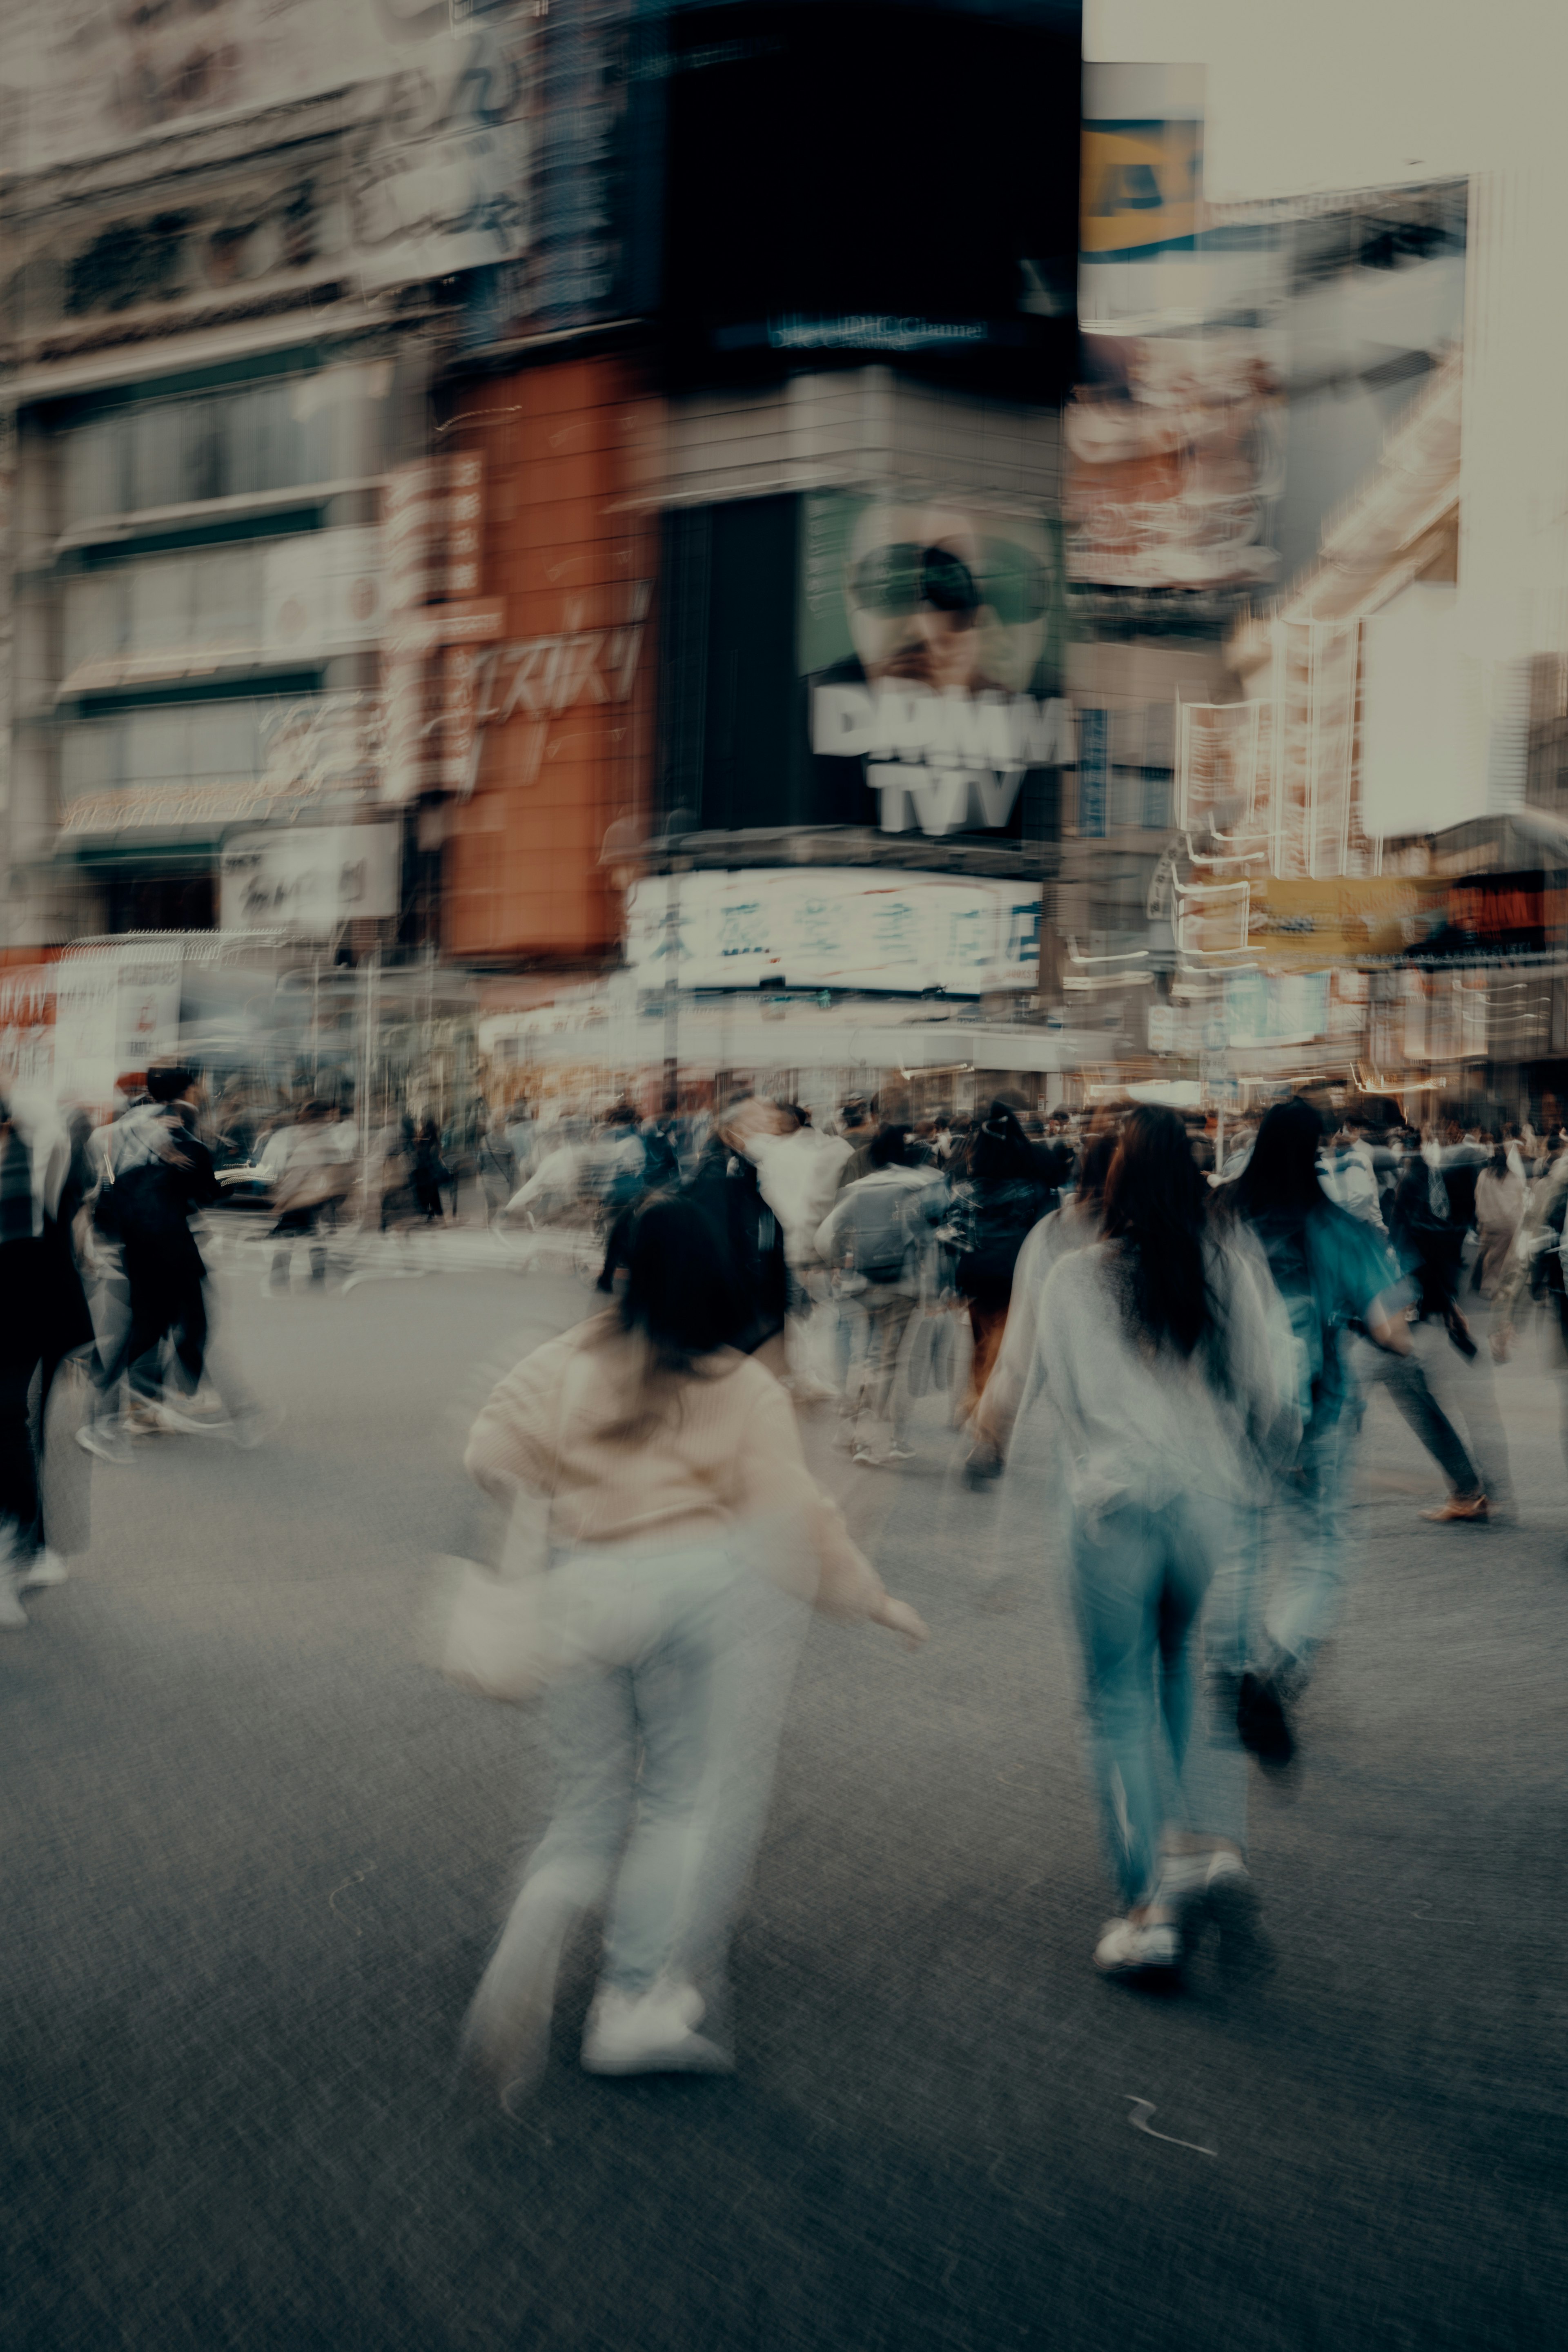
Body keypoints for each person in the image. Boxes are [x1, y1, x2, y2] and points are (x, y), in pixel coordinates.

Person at [458, 1194, 927, 2094]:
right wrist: (870, 1597)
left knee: (585, 1808)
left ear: (619, 1267)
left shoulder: (565, 1362)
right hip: (693, 1591)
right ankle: (633, 2001)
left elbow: (489, 1452)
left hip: (582, 1583)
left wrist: (550, 1491)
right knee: (681, 1798)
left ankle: (542, 1914)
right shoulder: (738, 1384)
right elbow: (795, 1513)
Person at [1032, 1106, 1295, 1976]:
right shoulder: (1228, 1264)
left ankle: (1147, 1909)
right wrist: (1261, 1465)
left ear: (1113, 1181)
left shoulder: (1076, 1278)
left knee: (1115, 1701)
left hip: (1117, 1503)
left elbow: (1065, 1399)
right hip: (1209, 1506)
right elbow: (1272, 1389)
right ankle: (1188, 1838)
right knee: (1178, 1667)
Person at [1219, 1098, 1428, 1764]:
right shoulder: (1337, 1225)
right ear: (1316, 1149)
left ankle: (1231, 1659)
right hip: (1317, 1413)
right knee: (1321, 1546)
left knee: (1244, 1542)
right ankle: (1271, 1667)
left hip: (1235, 1411)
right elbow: (1392, 1331)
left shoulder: (1220, 1214)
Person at [1, 1087, 95, 1628]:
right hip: (33, 1302)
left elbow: (53, 1131)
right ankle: (29, 1549)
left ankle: (26, 1550)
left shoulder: (40, 1152)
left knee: (12, 1422)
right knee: (16, 1427)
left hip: (26, 1308)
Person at [814, 1125, 944, 1466]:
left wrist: (840, 1264)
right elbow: (929, 1242)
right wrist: (932, 1293)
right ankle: (872, 1443)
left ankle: (849, 1429)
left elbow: (824, 1236)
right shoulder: (917, 1186)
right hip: (902, 1287)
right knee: (887, 1361)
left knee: (864, 1356)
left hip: (860, 1284)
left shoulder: (857, 1190)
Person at [946, 1099, 1049, 1426]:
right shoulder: (1032, 1189)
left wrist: (950, 1279)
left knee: (980, 1340)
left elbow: (951, 1235)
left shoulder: (965, 1189)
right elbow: (1045, 1232)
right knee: (1003, 1346)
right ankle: (987, 1414)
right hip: (1015, 1273)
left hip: (976, 1273)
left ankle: (977, 1398)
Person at [684, 1097, 793, 1370]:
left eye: (772, 1125)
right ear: (731, 1132)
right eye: (759, 1125)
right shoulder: (716, 1181)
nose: (771, 1133)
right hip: (734, 1328)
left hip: (754, 1322)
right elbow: (717, 1256)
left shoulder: (745, 1176)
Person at [266, 1101, 350, 1292]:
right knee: (314, 1237)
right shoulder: (328, 1140)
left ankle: (280, 1277)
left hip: (300, 1198)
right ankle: (317, 1276)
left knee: (287, 1237)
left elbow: (297, 1174)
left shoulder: (306, 1140)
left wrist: (282, 1200)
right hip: (319, 1199)